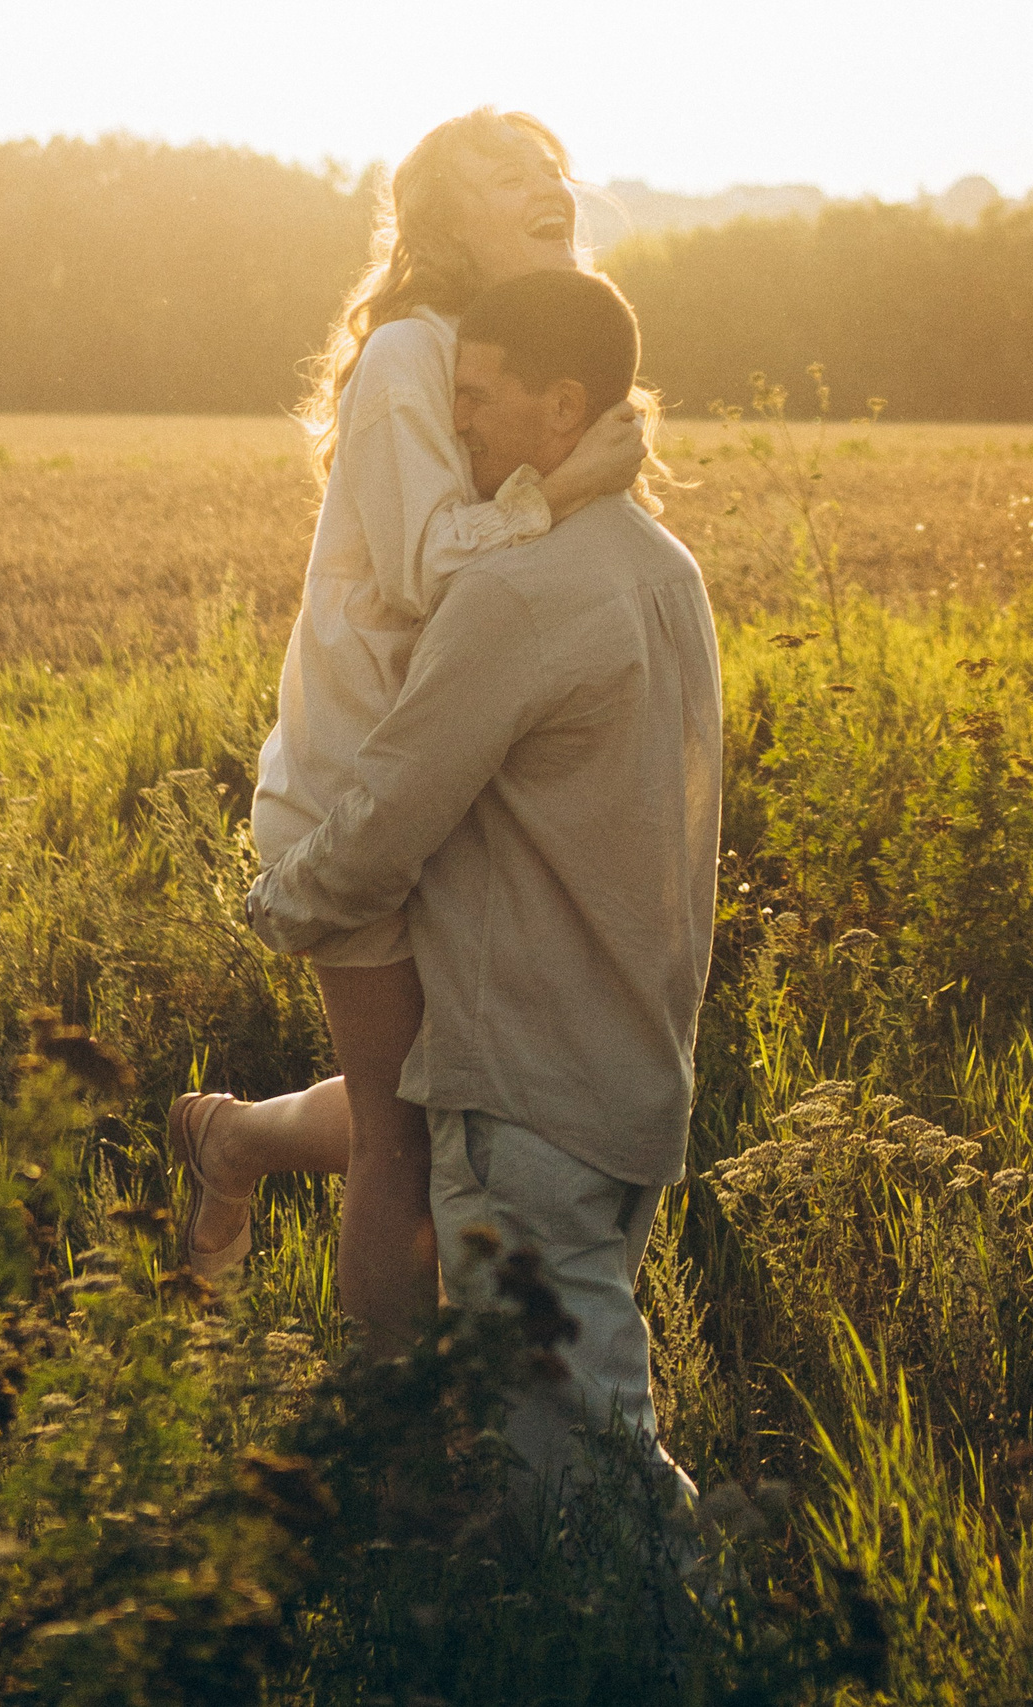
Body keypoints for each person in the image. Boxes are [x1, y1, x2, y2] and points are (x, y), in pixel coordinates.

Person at [166, 111, 649, 1354]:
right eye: (506, 172)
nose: (546, 182)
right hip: (362, 787)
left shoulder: (528, 349)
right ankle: (386, 1425)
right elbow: (437, 572)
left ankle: (232, 1138)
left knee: (446, 1098)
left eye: (550, 167)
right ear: (442, 218)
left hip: (467, 780)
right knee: (402, 1136)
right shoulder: (406, 356)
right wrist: (565, 486)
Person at [244, 267, 720, 1511]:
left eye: (477, 396)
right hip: (635, 1065)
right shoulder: (666, 568)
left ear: (561, 409)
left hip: (524, 1082)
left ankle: (685, 1616)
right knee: (553, 1434)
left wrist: (279, 905)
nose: (453, 425)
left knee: (583, 1474)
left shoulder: (511, 593)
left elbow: (390, 814)